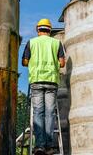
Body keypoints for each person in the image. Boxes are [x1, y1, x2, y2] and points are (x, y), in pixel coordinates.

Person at [22, 18, 65, 155]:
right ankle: (50, 146)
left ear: (38, 29)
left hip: (36, 81)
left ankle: (39, 146)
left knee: (38, 113)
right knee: (50, 113)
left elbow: (24, 61)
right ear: (50, 30)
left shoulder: (31, 43)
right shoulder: (57, 43)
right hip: (52, 81)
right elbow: (62, 63)